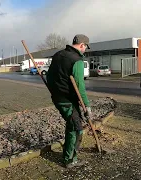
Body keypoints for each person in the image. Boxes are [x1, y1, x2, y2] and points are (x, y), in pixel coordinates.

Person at [46, 34, 92, 168]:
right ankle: (69, 160)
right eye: (85, 47)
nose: (85, 50)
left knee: (73, 124)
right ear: (82, 45)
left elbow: (49, 76)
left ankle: (69, 153)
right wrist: (87, 107)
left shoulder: (58, 54)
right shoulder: (76, 60)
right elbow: (80, 86)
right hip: (67, 100)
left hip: (57, 97)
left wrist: (55, 90)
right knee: (76, 129)